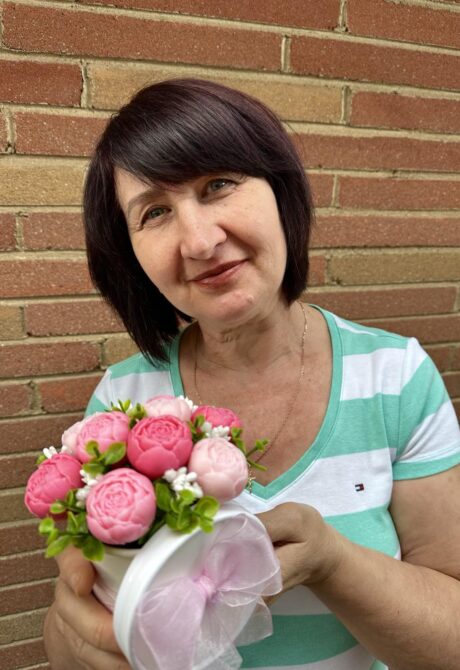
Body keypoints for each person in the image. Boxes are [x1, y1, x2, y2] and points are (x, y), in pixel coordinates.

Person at [43, 78, 460, 670]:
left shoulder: (397, 377)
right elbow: (75, 632)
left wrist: (333, 563)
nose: (200, 240)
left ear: (280, 191)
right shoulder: (122, 404)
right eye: (155, 212)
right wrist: (77, 633)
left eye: (218, 185)